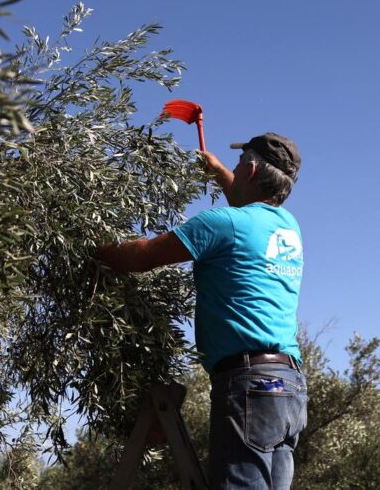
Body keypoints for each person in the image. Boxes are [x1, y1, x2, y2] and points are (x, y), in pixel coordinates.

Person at [96, 132, 307, 490]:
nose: (236, 170)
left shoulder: (222, 223)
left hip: (248, 384)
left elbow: (143, 256)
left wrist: (90, 247)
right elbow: (247, 213)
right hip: (289, 388)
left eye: (241, 164)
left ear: (253, 170)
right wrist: (221, 172)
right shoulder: (288, 227)